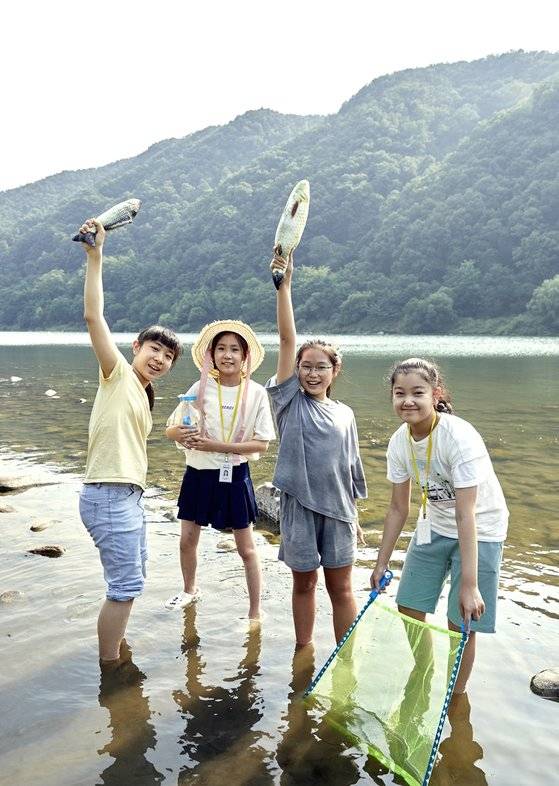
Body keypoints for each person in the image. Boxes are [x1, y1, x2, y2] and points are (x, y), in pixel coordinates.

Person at [77, 217, 182, 666]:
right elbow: (93, 316)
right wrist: (95, 256)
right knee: (123, 587)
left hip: (127, 497)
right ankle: (110, 666)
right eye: (154, 349)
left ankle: (116, 650)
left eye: (168, 356)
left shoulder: (142, 392)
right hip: (107, 494)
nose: (159, 359)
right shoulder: (117, 373)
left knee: (133, 581)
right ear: (136, 347)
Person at [371, 357, 508, 693]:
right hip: (433, 524)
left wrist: (470, 585)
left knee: (461, 619)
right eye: (400, 393)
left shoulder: (458, 436)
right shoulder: (399, 442)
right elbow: (398, 508)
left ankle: (455, 696)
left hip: (480, 528)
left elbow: (466, 514)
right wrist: (381, 562)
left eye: (417, 392)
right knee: (409, 604)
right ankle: (424, 671)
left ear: (436, 394)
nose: (408, 401)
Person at [266, 253, 367, 647]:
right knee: (304, 584)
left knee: (341, 588)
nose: (312, 373)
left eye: (321, 366)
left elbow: (350, 468)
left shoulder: (345, 413)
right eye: (306, 366)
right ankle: (303, 651)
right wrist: (285, 287)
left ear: (334, 371)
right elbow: (287, 339)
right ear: (297, 369)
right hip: (300, 508)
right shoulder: (288, 401)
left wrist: (355, 517)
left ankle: (346, 653)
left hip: (340, 512)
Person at [164, 320, 276, 620]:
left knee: (247, 549)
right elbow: (170, 429)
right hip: (198, 473)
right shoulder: (200, 388)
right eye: (221, 349)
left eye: (235, 349)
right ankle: (189, 590)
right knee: (187, 540)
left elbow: (262, 444)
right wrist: (181, 434)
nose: (228, 355)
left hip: (235, 475)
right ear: (211, 355)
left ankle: (255, 611)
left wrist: (216, 446)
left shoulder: (256, 393)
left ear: (245, 356)